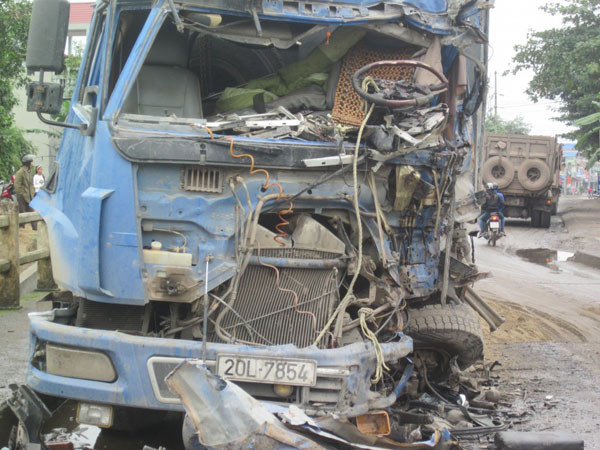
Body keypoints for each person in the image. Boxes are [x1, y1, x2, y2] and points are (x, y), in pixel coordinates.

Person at [14, 154, 37, 230]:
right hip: (22, 197)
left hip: (30, 196)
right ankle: (21, 229)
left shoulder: (30, 172)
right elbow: (17, 185)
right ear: (28, 163)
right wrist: (22, 194)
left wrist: (33, 193)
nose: (32, 163)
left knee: (32, 213)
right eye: (31, 162)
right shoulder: (20, 172)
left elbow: (31, 184)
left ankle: (35, 228)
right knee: (22, 213)